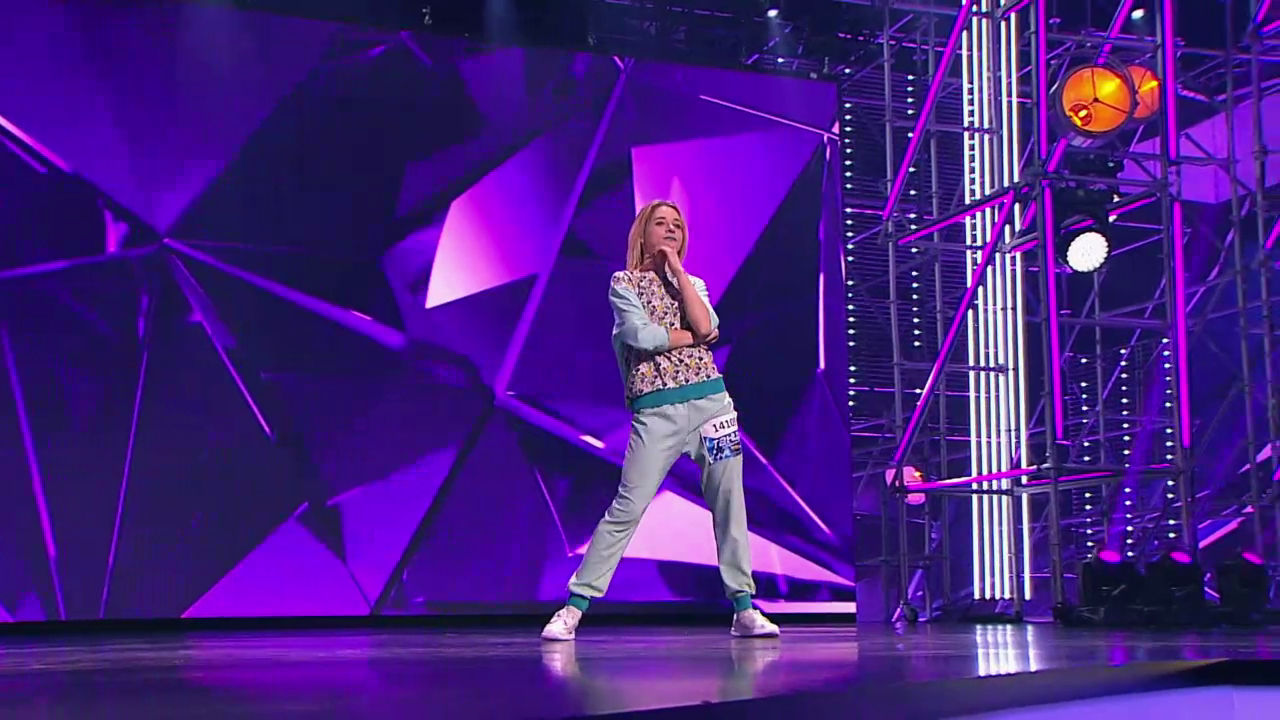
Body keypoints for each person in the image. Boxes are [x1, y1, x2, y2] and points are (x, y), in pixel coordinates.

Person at [540, 200, 780, 641]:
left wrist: (679, 274)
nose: (670, 231)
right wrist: (692, 336)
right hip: (657, 414)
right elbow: (642, 335)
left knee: (730, 503)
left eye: (677, 226)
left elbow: (708, 322)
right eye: (661, 224)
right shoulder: (624, 283)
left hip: (714, 409)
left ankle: (744, 607)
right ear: (643, 233)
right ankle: (574, 607)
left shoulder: (695, 285)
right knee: (628, 507)